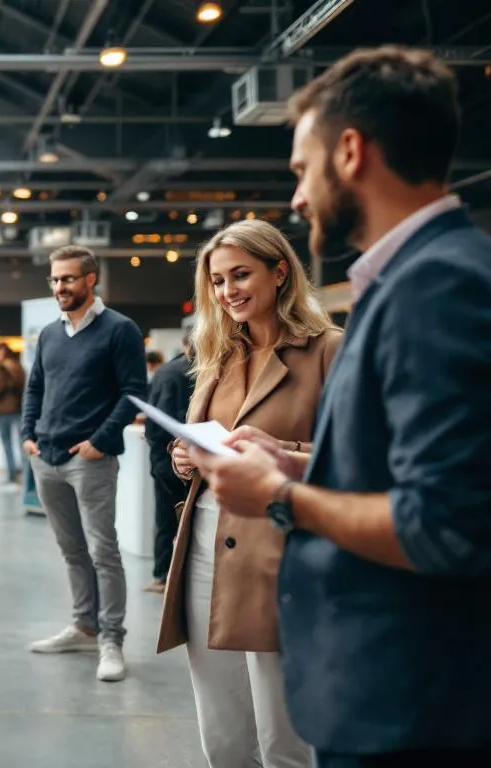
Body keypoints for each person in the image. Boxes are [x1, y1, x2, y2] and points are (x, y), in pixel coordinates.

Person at [188, 47, 491, 767]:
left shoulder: (437, 286)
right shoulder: (413, 280)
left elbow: (444, 526)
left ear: (350, 151)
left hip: (413, 705)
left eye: (300, 169)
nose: (296, 198)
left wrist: (283, 492)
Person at [156, 220, 341, 767]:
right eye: (217, 280)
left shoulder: (328, 350)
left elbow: (357, 461)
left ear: (279, 272)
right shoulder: (218, 354)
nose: (227, 290)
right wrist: (184, 457)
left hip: (282, 554)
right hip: (205, 546)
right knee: (221, 729)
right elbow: (202, 442)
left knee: (283, 735)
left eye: (241, 274)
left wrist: (277, 448)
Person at [22, 244, 146, 683]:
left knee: (103, 552)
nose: (60, 287)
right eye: (55, 280)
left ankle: (111, 638)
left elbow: (133, 391)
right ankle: (83, 626)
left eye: (68, 279)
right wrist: (27, 434)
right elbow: (34, 387)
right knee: (72, 551)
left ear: (91, 279)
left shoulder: (120, 329)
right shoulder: (50, 333)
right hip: (47, 458)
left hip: (89, 460)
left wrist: (100, 441)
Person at [143, 333, 195, 592]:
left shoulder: (166, 371)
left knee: (165, 515)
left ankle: (162, 574)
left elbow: (155, 419)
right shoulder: (193, 371)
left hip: (163, 456)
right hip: (180, 457)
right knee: (184, 518)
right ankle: (175, 576)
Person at [0, 344, 25, 483]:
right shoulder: (18, 367)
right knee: (22, 443)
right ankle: (27, 475)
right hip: (18, 408)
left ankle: (12, 474)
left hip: (3, 409)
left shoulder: (2, 369)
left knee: (7, 443)